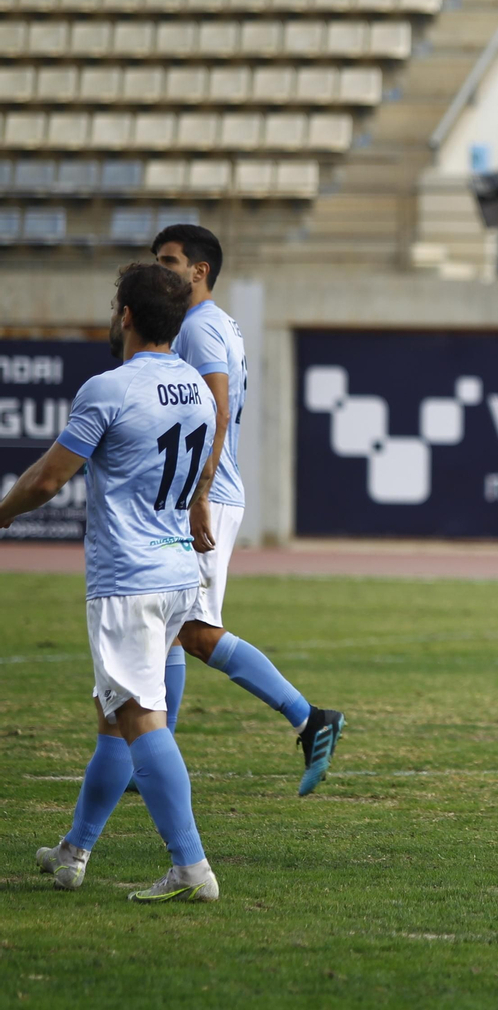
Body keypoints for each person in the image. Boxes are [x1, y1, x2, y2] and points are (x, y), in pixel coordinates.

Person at [2, 263, 220, 901]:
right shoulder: (196, 387)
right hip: (179, 571)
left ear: (125, 314)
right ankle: (73, 852)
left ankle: (191, 866)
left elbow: (47, 479)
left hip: (129, 579)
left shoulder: (110, 388)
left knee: (141, 718)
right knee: (113, 716)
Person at [152, 225, 345, 795]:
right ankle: (156, 751)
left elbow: (213, 408)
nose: (159, 269)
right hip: (208, 491)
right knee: (172, 628)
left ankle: (310, 719)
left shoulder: (201, 328)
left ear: (198, 271)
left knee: (198, 631)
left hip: (208, 495)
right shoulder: (218, 323)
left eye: (169, 261)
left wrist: (201, 493)